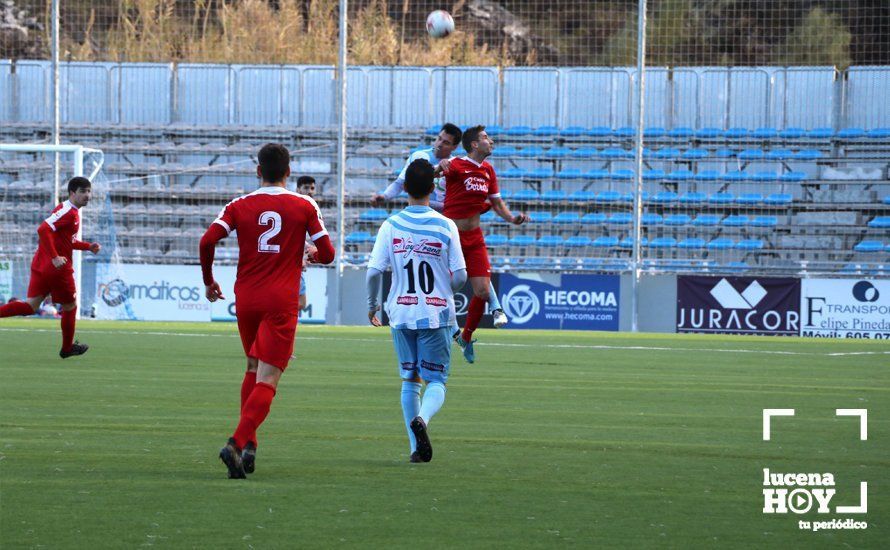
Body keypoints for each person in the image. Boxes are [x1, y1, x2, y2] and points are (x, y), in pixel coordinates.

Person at [199, 144, 335, 479]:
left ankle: (250, 447)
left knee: (252, 367)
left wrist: (209, 281)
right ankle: (236, 442)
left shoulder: (239, 205)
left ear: (258, 171)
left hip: (246, 298)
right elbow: (328, 253)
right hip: (280, 301)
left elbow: (206, 241)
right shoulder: (304, 204)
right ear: (289, 171)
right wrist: (310, 256)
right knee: (269, 378)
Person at [367, 158, 467, 463]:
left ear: (405, 188)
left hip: (400, 313)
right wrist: (445, 294)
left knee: (409, 380)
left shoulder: (391, 225)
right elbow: (461, 274)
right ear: (434, 187)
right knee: (436, 381)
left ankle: (415, 448)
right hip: (435, 314)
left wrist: (372, 306)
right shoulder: (445, 224)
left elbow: (373, 272)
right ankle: (423, 419)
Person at [372, 123, 509, 328]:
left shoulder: (457, 164)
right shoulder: (420, 157)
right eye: (438, 139)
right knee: (425, 265)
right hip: (424, 217)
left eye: (445, 143)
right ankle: (414, 306)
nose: (438, 144)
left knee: (467, 267)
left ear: (454, 147)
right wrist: (385, 196)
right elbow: (401, 183)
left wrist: (475, 206)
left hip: (444, 220)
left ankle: (487, 309)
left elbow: (464, 195)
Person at [436, 125, 528, 363]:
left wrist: (512, 219)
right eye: (486, 138)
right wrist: (440, 166)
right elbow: (435, 174)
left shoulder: (488, 170)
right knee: (443, 289)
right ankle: (439, 330)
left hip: (474, 237)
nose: (491, 141)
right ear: (475, 144)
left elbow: (497, 204)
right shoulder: (457, 164)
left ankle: (466, 337)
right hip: (451, 238)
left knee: (482, 291)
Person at [0, 177, 100, 358]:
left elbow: (65, 240)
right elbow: (42, 229)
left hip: (41, 264)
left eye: (89, 191)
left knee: (31, 306)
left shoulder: (66, 210)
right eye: (83, 192)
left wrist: (87, 246)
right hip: (56, 268)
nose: (88, 195)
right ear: (72, 193)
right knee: (70, 306)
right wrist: (55, 257)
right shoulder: (69, 212)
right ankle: (67, 348)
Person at [296, 175, 317, 311]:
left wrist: (307, 247)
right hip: (288, 264)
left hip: (295, 263)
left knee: (301, 303)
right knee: (300, 303)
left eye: (312, 188)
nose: (310, 191)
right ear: (298, 189)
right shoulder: (295, 206)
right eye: (306, 188)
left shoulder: (308, 207)